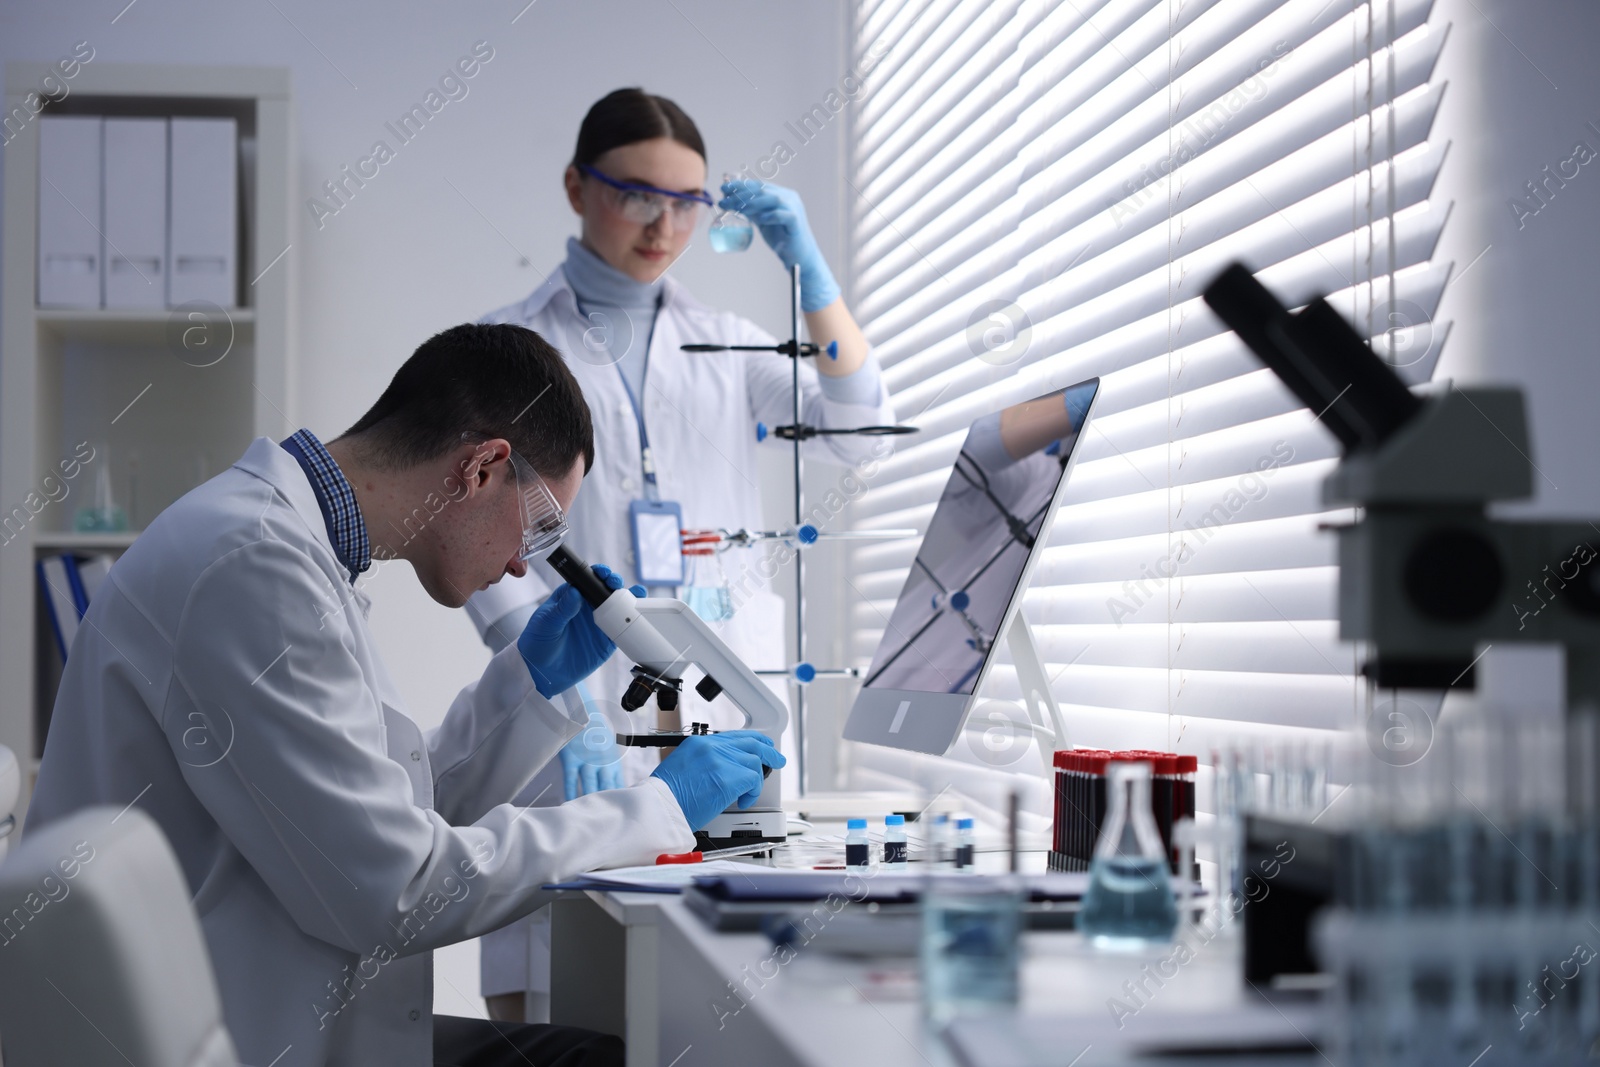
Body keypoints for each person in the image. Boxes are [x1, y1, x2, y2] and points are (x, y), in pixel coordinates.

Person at [24, 323, 784, 1067]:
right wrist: (660, 807)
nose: (525, 566)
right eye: (540, 525)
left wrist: (526, 680)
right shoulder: (252, 565)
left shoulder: (290, 551)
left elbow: (382, 819)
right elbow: (394, 887)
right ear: (481, 467)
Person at [464, 88, 897, 1022]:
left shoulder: (733, 346)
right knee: (560, 993)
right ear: (578, 187)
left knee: (721, 998)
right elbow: (471, 530)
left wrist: (810, 271)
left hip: (717, 704)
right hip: (572, 712)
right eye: (638, 194)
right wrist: (556, 697)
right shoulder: (507, 349)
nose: (666, 225)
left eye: (691, 203)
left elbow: (859, 429)